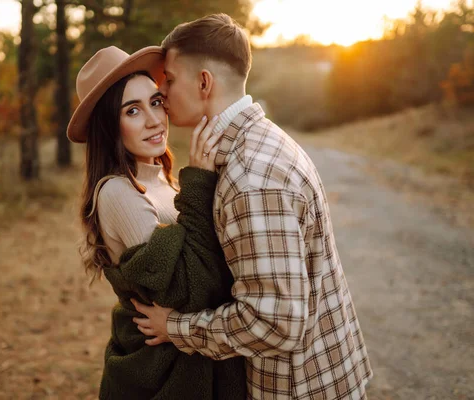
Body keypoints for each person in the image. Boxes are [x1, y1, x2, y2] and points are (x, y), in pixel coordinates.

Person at [130, 14, 374, 399]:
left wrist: (175, 327)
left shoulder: (250, 178)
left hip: (299, 388)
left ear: (204, 82)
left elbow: (276, 322)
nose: (163, 91)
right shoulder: (261, 141)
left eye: (170, 80)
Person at [67, 46, 246, 399]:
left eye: (156, 102)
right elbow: (184, 291)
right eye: (132, 110)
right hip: (159, 378)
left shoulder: (164, 182)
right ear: (109, 127)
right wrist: (199, 183)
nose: (153, 120)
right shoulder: (118, 192)